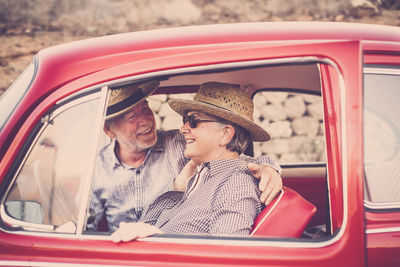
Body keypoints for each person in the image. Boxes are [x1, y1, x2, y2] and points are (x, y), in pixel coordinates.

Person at [87, 80, 282, 232]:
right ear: (108, 130)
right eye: (131, 117)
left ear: (226, 134)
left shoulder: (181, 144)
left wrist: (267, 168)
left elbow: (231, 159)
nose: (146, 121)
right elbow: (86, 226)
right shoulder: (96, 168)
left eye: (146, 109)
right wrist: (177, 186)